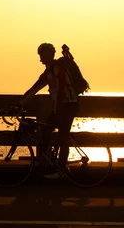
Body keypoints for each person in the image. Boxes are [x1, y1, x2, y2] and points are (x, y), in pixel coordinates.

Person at [18, 42, 80, 179]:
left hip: (69, 105)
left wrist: (57, 109)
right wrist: (20, 103)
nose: (41, 58)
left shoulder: (59, 68)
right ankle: (45, 160)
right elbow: (35, 88)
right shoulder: (48, 72)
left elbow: (62, 90)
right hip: (59, 107)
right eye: (40, 55)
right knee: (45, 129)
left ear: (51, 55)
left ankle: (62, 171)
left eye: (43, 55)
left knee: (63, 138)